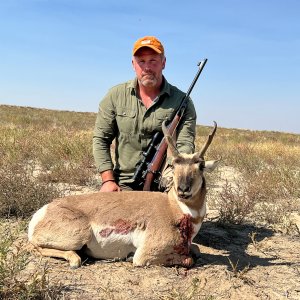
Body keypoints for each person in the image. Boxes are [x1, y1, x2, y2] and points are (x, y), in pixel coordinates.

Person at [93, 36, 196, 192]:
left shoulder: (183, 102)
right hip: (124, 183)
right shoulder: (115, 95)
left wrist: (174, 177)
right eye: (141, 61)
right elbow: (101, 139)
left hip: (166, 183)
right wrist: (107, 180)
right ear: (133, 65)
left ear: (163, 63)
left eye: (153, 61)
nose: (147, 67)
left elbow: (184, 145)